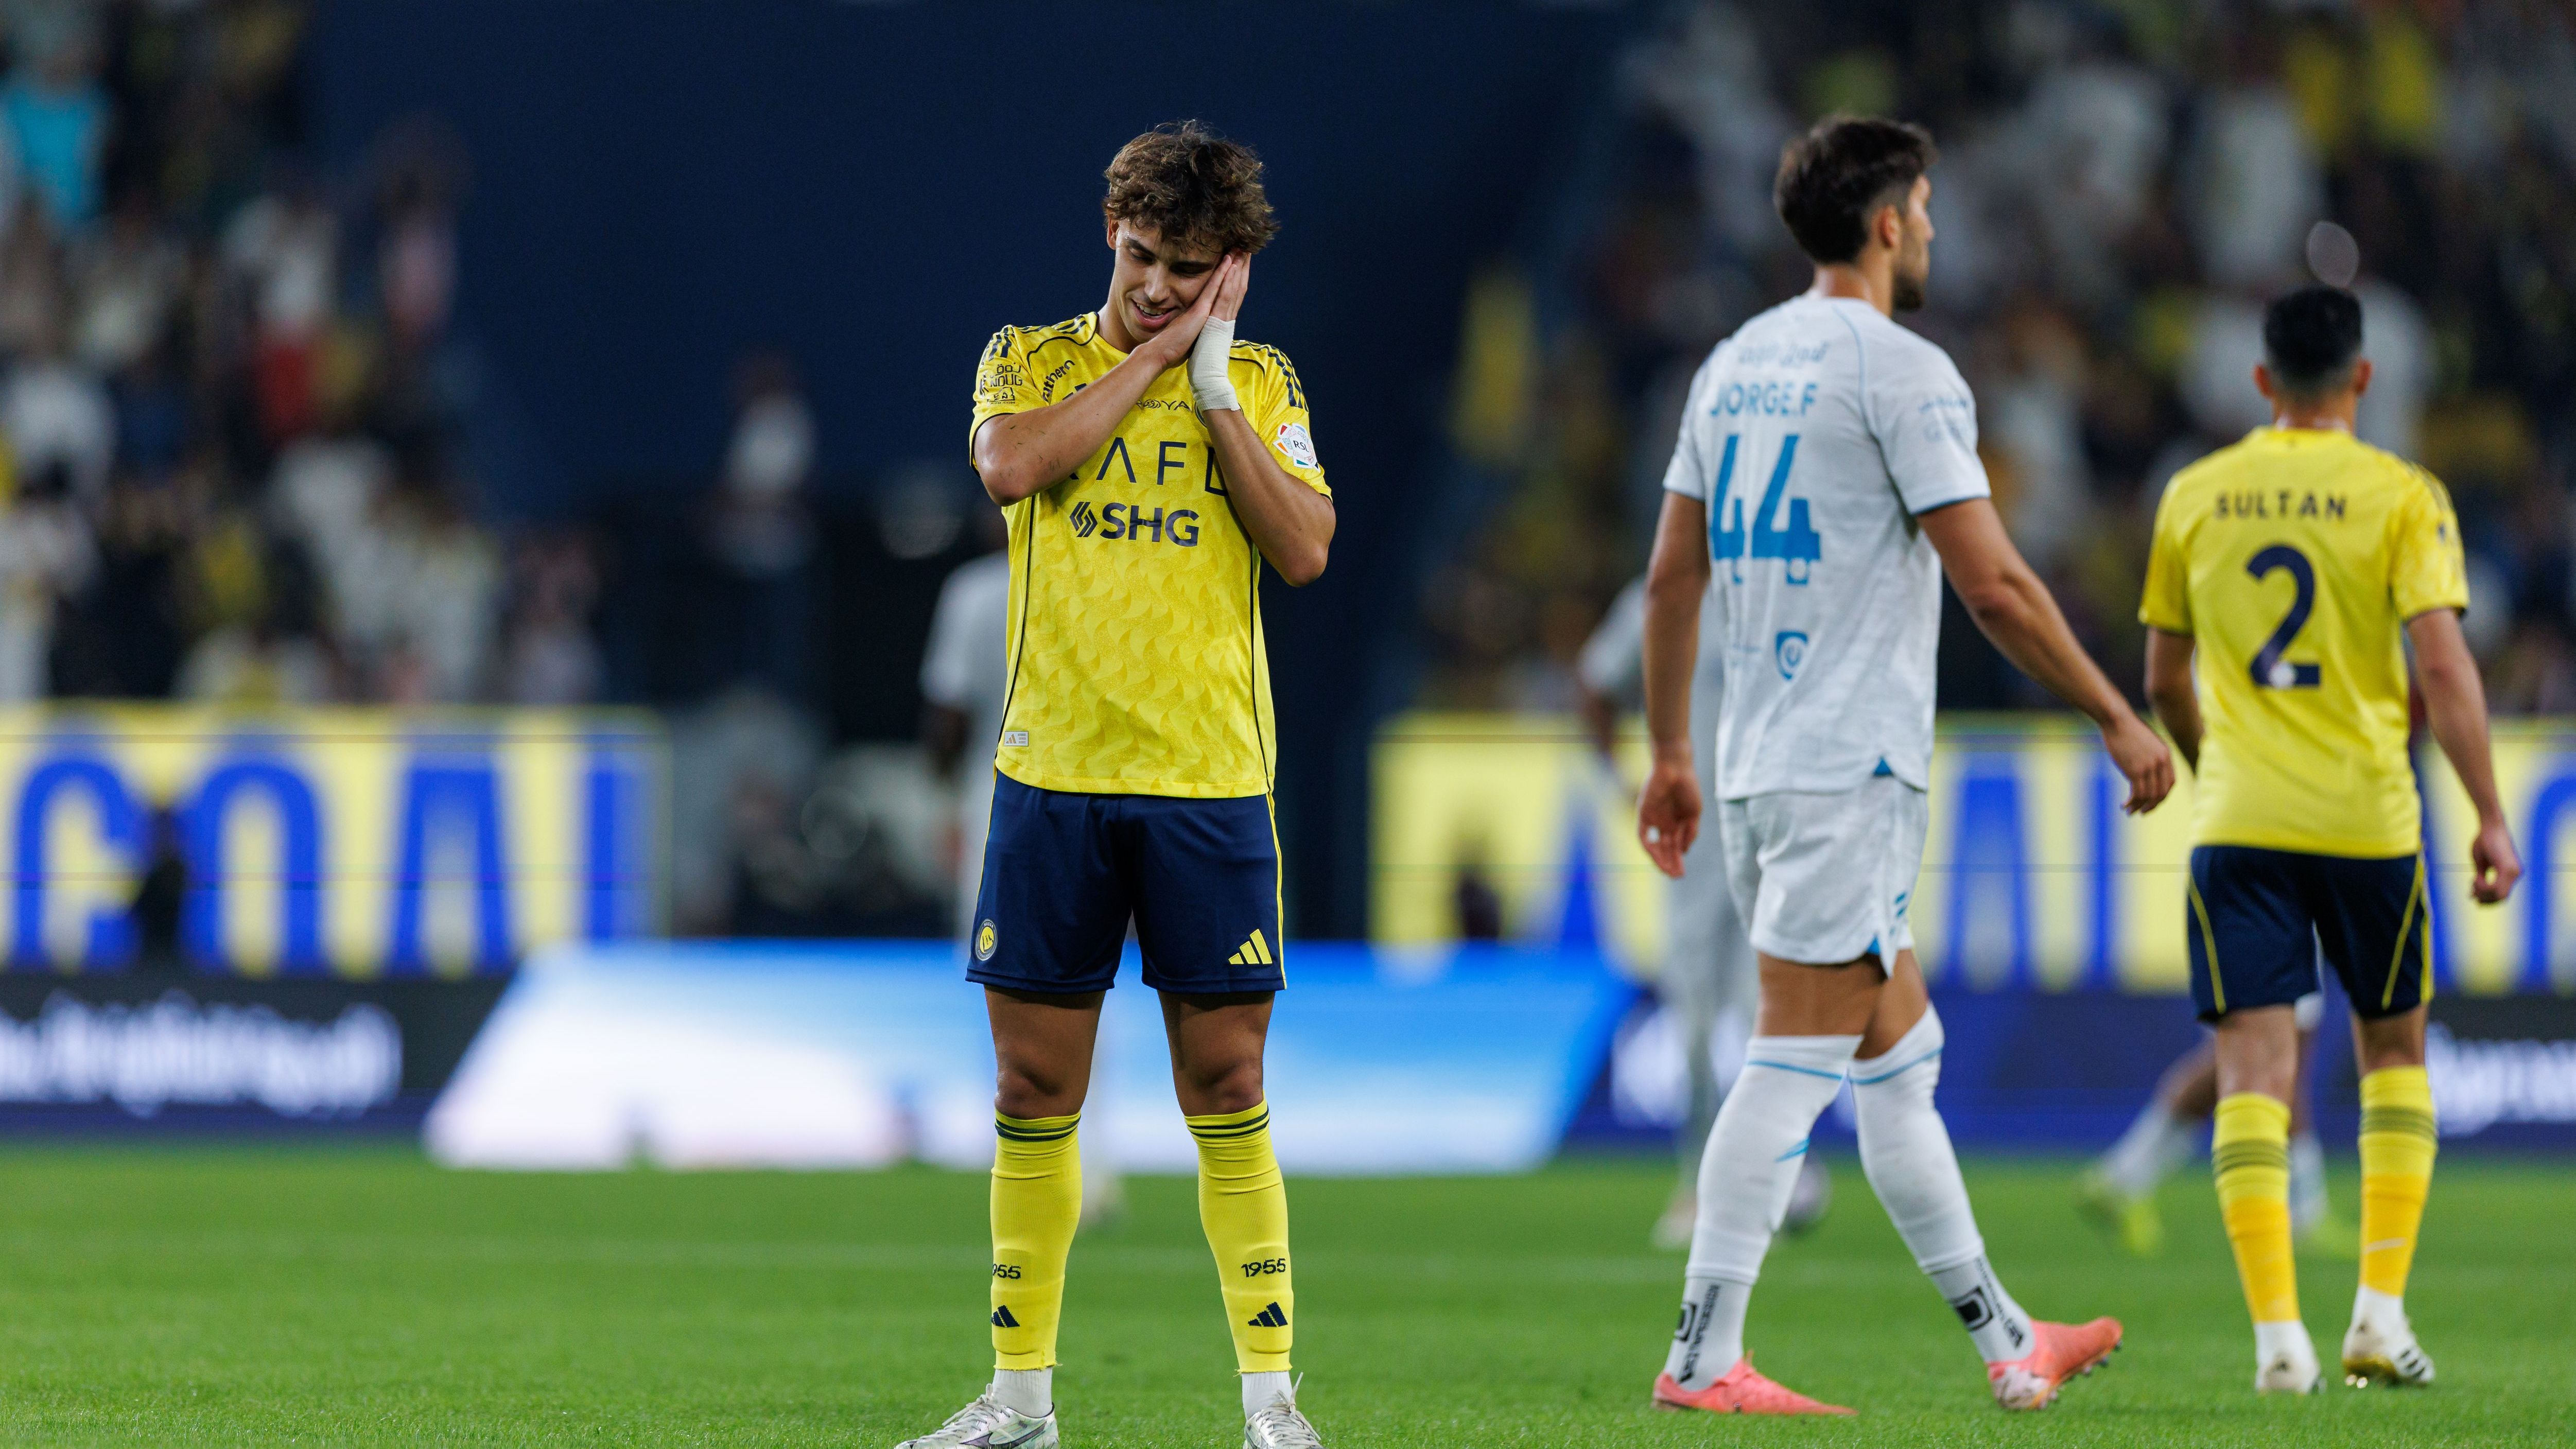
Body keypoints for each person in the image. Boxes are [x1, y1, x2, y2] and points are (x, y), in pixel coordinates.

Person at [1635, 115, 2174, 1416]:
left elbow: (1668, 576)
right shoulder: (1901, 371)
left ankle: (2006, 1340)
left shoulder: (1732, 364)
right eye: (1922, 209)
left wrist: (1668, 751)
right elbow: (1990, 581)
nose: (1930, 229)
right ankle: (1700, 1359)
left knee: (1898, 1053)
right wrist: (2114, 710)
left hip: (1763, 762)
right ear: (1884, 224)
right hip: (1845, 768)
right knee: (1791, 1059)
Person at [898, 121, 1336, 1449]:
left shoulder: (1258, 382)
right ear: (1112, 234)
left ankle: (1269, 1402)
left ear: (1232, 266)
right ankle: (1018, 1400)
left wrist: (1204, 387)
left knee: (1224, 1079)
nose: (1153, 282)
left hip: (1207, 780)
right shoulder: (1024, 361)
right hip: (1052, 777)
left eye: (1184, 266)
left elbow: (1307, 548)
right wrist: (1152, 352)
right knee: (1034, 1090)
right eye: (1140, 255)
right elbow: (1009, 467)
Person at [2137, 283, 2518, 1394]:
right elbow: (2443, 667)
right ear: (2363, 379)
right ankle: (2378, 1315)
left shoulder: (2196, 493)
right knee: (2392, 1055)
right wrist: (2491, 812)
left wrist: (2223, 767)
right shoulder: (2403, 494)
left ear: (2260, 382)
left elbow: (2164, 677)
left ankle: (2277, 1344)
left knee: (2253, 1068)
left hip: (2241, 822)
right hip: (2370, 822)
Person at [1575, 575, 1830, 1249]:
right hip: (1693, 847)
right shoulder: (1662, 597)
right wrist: (1616, 777)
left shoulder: (1784, 588)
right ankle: (1697, 1180)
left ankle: (1766, 1177)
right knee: (1692, 1022)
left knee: (1762, 1016)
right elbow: (1596, 682)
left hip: (1773, 839)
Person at [920, 505, 1124, 1230]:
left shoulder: (976, 591)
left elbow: (947, 715)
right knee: (1088, 988)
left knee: (1005, 995)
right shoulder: (1102, 579)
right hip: (1094, 797)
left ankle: (1027, 1156)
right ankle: (1093, 1165)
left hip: (998, 801)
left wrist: (941, 798)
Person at [2077, 989, 2350, 1258]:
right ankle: (2306, 1213)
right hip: (2275, 947)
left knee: (2253, 1055)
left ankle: (2122, 1177)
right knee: (2273, 1055)